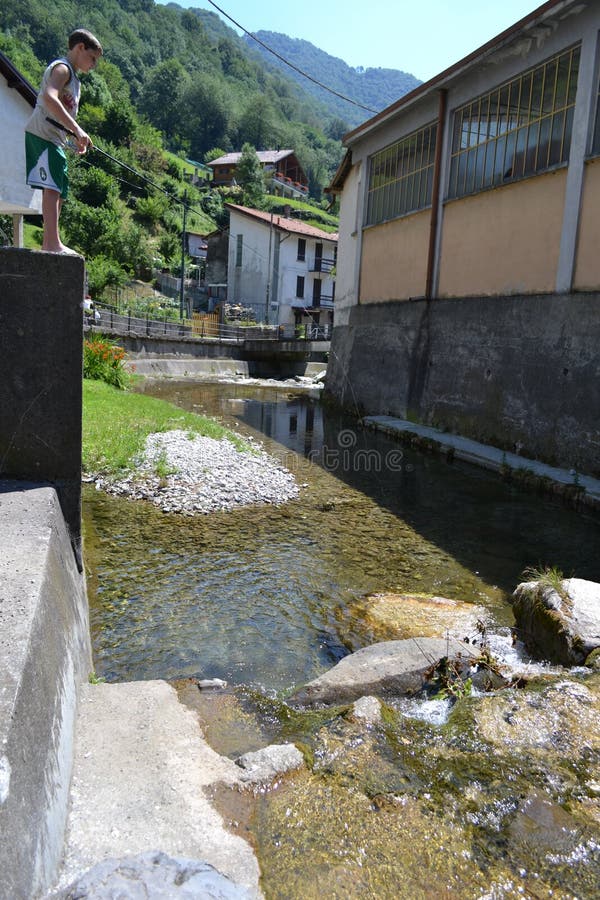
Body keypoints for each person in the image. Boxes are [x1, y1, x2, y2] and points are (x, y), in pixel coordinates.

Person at [25, 29, 103, 254]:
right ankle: (51, 244)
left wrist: (73, 136)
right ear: (80, 47)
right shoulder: (62, 68)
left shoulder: (73, 78)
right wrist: (77, 129)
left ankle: (49, 243)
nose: (94, 65)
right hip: (43, 133)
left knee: (59, 189)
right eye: (92, 58)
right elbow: (49, 97)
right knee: (52, 187)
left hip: (55, 138)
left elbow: (60, 112)